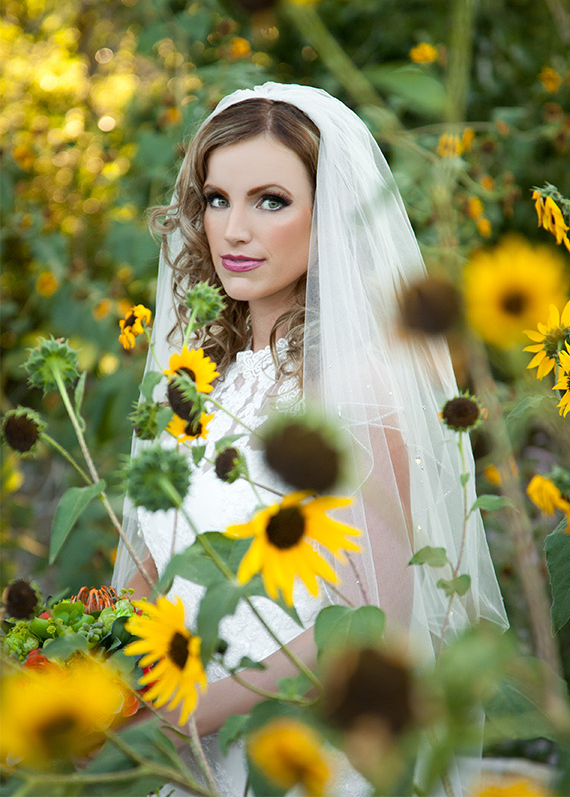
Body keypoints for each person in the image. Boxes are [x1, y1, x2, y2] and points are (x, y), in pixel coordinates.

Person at [113, 82, 507, 796]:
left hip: (300, 759)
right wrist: (96, 674)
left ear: (331, 217)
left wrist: (187, 712)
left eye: (272, 200)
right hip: (191, 755)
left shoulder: (356, 391)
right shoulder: (201, 381)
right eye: (216, 198)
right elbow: (154, 557)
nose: (233, 231)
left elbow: (374, 630)